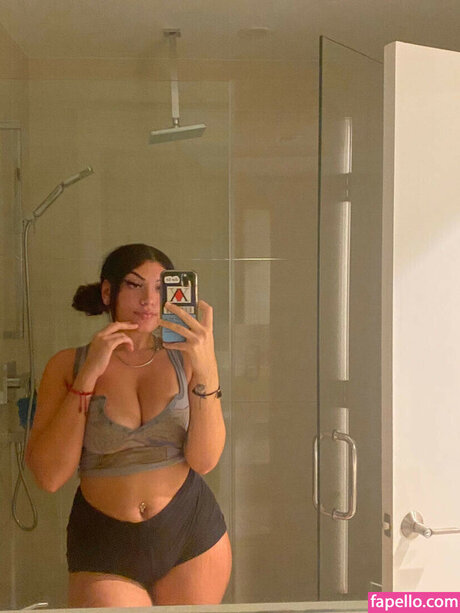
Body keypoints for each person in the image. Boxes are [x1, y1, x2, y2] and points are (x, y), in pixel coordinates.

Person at [25, 243, 232, 607]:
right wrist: (89, 375)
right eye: (135, 285)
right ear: (108, 292)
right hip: (105, 543)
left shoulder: (184, 359)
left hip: (192, 533)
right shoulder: (66, 365)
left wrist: (207, 367)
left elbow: (205, 460)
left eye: (160, 288)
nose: (149, 300)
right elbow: (49, 476)